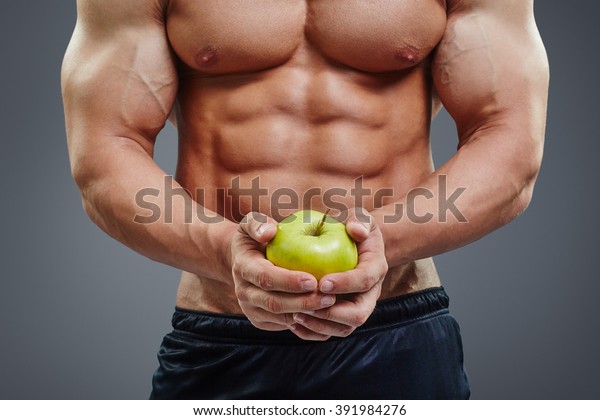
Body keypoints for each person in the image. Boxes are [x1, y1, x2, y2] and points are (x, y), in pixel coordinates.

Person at [61, 0, 548, 399]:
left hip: (397, 324)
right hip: (221, 325)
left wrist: (379, 247)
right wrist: (227, 253)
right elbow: (105, 156)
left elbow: (508, 144)